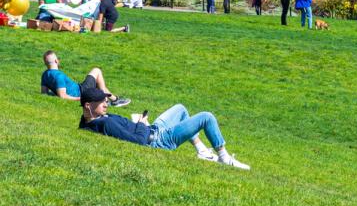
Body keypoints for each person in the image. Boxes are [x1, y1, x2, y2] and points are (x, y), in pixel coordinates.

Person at [78, 84, 249, 170]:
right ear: (88, 105)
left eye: (105, 99)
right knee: (207, 117)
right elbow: (138, 141)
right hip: (158, 140)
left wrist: (142, 124)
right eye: (101, 101)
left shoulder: (92, 119)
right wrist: (141, 123)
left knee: (180, 109)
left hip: (152, 130)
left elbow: (85, 124)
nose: (106, 102)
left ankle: (202, 151)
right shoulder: (104, 123)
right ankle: (224, 157)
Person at [40, 50, 130, 107]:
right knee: (97, 70)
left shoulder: (45, 74)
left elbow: (44, 93)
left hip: (80, 88)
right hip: (81, 91)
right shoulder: (58, 76)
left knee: (100, 84)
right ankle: (105, 100)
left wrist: (54, 92)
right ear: (56, 61)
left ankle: (115, 100)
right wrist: (79, 98)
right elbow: (62, 96)